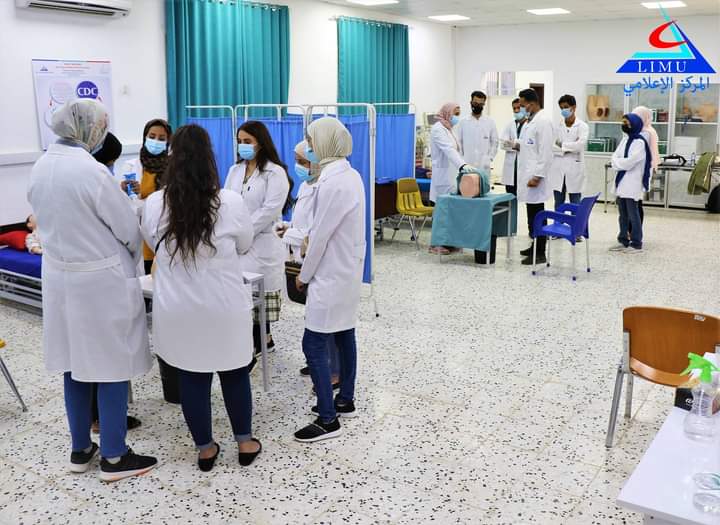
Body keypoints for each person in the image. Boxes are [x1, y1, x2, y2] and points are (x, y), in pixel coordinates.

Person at [27, 99, 156, 482]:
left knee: (75, 365)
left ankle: (81, 448)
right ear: (89, 129)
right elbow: (127, 230)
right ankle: (115, 456)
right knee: (111, 364)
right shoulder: (91, 172)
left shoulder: (42, 165)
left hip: (60, 279)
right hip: (99, 282)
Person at [142, 124, 262, 471]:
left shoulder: (155, 203)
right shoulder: (230, 201)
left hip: (179, 308)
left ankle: (205, 449)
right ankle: (245, 442)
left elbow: (152, 241)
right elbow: (244, 244)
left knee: (192, 376)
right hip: (224, 305)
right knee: (234, 372)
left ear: (173, 158)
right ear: (210, 158)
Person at [293, 117, 365, 443]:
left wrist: (304, 275)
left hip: (330, 273)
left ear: (323, 143)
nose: (309, 148)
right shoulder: (351, 175)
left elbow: (319, 238)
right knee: (345, 333)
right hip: (347, 270)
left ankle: (327, 418)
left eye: (311, 142)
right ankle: (345, 399)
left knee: (313, 343)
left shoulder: (331, 183)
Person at [224, 121, 292, 366]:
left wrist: (243, 231)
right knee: (242, 295)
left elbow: (270, 209)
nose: (242, 146)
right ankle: (261, 341)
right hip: (236, 242)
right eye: (239, 141)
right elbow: (226, 201)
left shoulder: (274, 172)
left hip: (262, 242)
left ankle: (260, 342)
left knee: (259, 298)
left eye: (248, 141)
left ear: (261, 143)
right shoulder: (234, 170)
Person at [277, 141, 340, 388]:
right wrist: (288, 227)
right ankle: (316, 361)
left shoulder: (326, 188)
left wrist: (290, 235)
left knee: (327, 320)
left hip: (319, 260)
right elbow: (301, 223)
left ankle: (334, 370)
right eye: (297, 161)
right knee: (312, 315)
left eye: (303, 161)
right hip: (301, 256)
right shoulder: (305, 186)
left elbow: (316, 233)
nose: (299, 167)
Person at [91, 132, 142, 434]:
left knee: (85, 356)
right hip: (107, 276)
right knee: (110, 355)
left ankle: (93, 422)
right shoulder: (100, 180)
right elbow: (128, 232)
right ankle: (109, 426)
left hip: (75, 283)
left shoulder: (51, 172)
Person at [119, 119, 172, 275]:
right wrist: (122, 191)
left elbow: (171, 202)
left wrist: (143, 200)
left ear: (168, 142)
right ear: (145, 137)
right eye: (152, 136)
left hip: (165, 232)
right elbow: (127, 205)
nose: (156, 141)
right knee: (145, 279)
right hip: (140, 235)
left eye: (161, 138)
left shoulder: (173, 167)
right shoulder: (130, 166)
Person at [429, 102, 473, 255]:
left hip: (451, 176)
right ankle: (435, 244)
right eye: (456, 113)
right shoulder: (438, 129)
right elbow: (448, 149)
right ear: (447, 113)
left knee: (451, 211)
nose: (457, 117)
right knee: (441, 211)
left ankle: (450, 242)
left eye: (458, 114)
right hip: (443, 176)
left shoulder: (449, 129)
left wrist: (463, 165)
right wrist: (463, 165)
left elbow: (457, 151)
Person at [516, 88, 554, 265]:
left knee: (538, 214)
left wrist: (537, 176)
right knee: (531, 213)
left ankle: (540, 252)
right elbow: (530, 146)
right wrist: (517, 144)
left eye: (523, 105)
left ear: (531, 104)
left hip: (535, 178)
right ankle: (534, 245)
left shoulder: (544, 121)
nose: (521, 108)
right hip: (528, 175)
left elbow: (546, 152)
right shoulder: (530, 122)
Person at [609, 114, 651, 254]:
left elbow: (629, 162)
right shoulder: (624, 140)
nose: (624, 125)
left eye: (626, 123)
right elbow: (614, 157)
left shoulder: (640, 143)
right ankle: (623, 240)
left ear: (634, 124)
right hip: (621, 183)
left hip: (632, 183)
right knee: (623, 215)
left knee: (633, 214)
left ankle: (636, 243)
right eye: (623, 122)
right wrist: (619, 162)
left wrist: (618, 163)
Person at [551, 94, 588, 210]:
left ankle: (575, 222)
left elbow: (579, 145)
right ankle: (558, 221)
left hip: (574, 170)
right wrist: (570, 147)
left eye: (566, 107)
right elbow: (552, 146)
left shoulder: (582, 126)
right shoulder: (557, 126)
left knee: (575, 203)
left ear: (574, 107)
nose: (563, 110)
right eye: (561, 108)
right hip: (558, 169)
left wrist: (561, 145)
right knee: (558, 203)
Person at [631, 105, 660, 226]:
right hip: (639, 171)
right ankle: (633, 231)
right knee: (635, 202)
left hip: (640, 171)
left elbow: (637, 154)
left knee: (635, 203)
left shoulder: (646, 133)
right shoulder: (647, 131)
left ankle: (634, 231)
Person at [457, 90, 498, 174]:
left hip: (484, 165)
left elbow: (495, 142)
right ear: (471, 102)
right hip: (467, 164)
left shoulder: (490, 122)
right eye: (475, 103)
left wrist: (489, 158)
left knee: (483, 182)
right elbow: (458, 143)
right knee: (467, 182)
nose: (477, 106)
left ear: (484, 104)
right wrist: (462, 160)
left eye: (480, 104)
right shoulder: (463, 122)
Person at [499, 98, 528, 196]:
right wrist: (516, 145)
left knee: (525, 197)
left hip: (523, 167)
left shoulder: (530, 124)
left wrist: (514, 143)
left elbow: (529, 145)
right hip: (511, 169)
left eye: (518, 108)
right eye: (514, 108)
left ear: (524, 108)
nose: (516, 110)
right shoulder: (510, 125)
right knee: (510, 196)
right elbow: (502, 143)